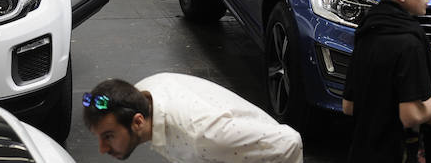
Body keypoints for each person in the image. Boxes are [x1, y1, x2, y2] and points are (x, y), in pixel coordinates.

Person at [343, 0, 431, 162]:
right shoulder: (409, 43)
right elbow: (410, 115)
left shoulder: (367, 30)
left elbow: (349, 106)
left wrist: (423, 108)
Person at [83, 76, 302, 162]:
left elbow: (288, 141)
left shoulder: (203, 135)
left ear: (138, 122)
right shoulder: (142, 94)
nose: (102, 148)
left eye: (108, 136)